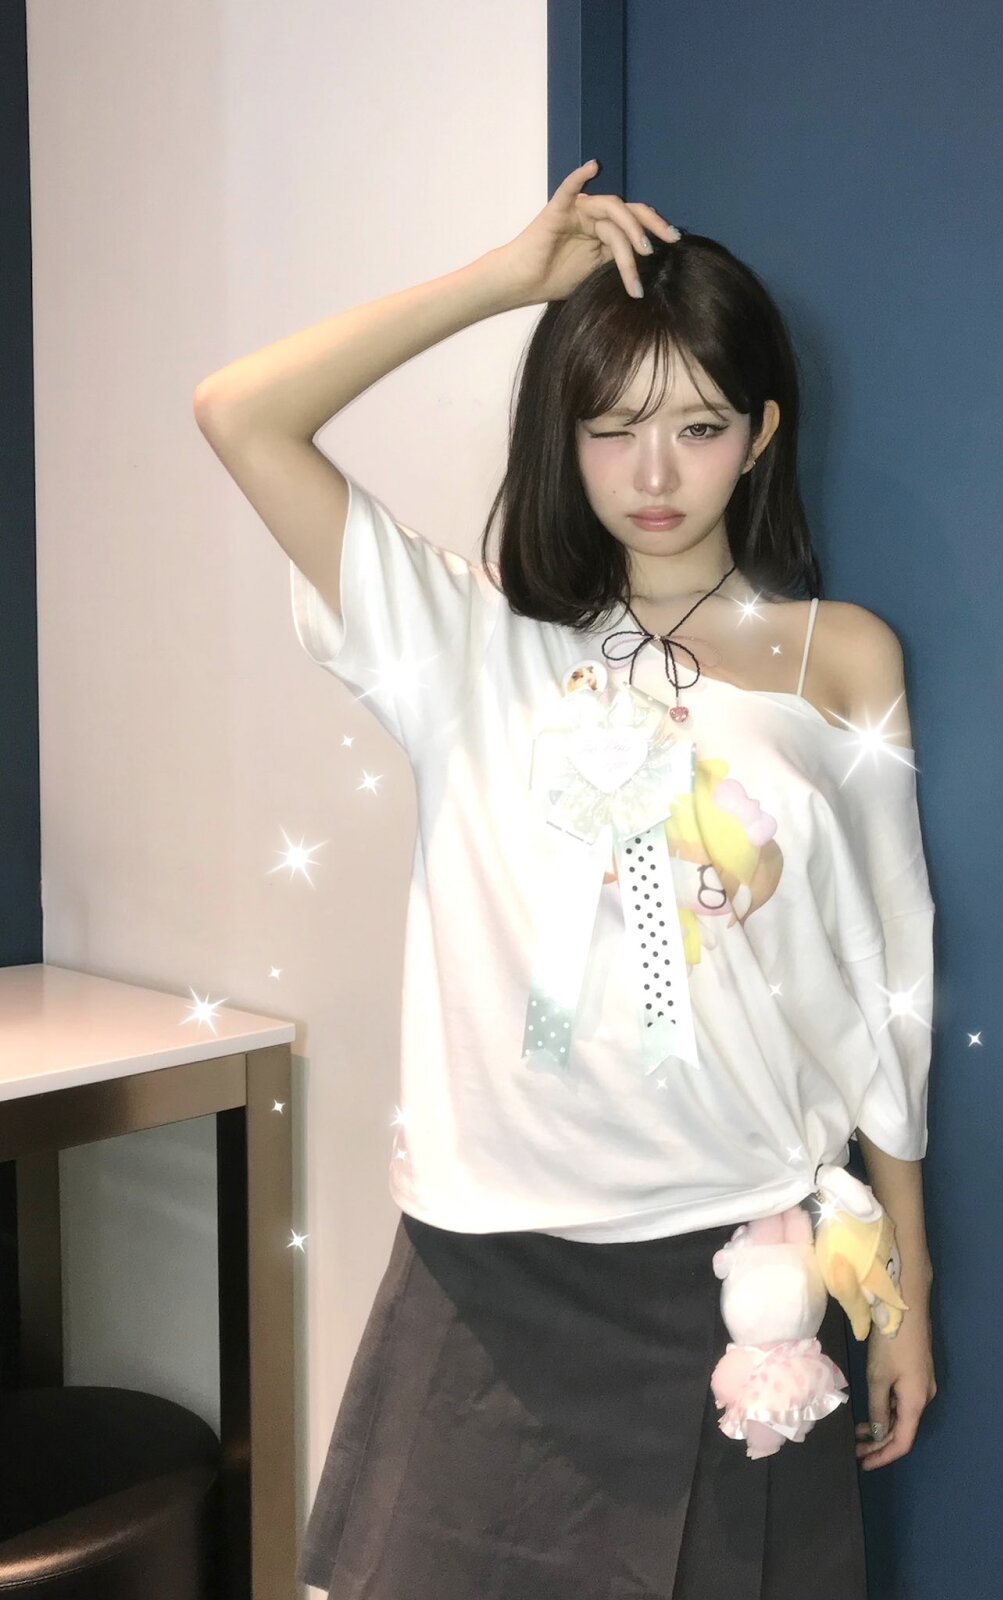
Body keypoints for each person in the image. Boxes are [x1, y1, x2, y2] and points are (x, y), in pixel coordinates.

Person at [194, 157, 938, 1600]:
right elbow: (241, 412)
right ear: (565, 434)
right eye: (612, 428)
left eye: (699, 427)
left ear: (762, 435)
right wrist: (499, 284)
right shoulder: (464, 642)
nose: (654, 476)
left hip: (742, 1267)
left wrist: (904, 1287)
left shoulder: (841, 659)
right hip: (495, 1273)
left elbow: (884, 984)